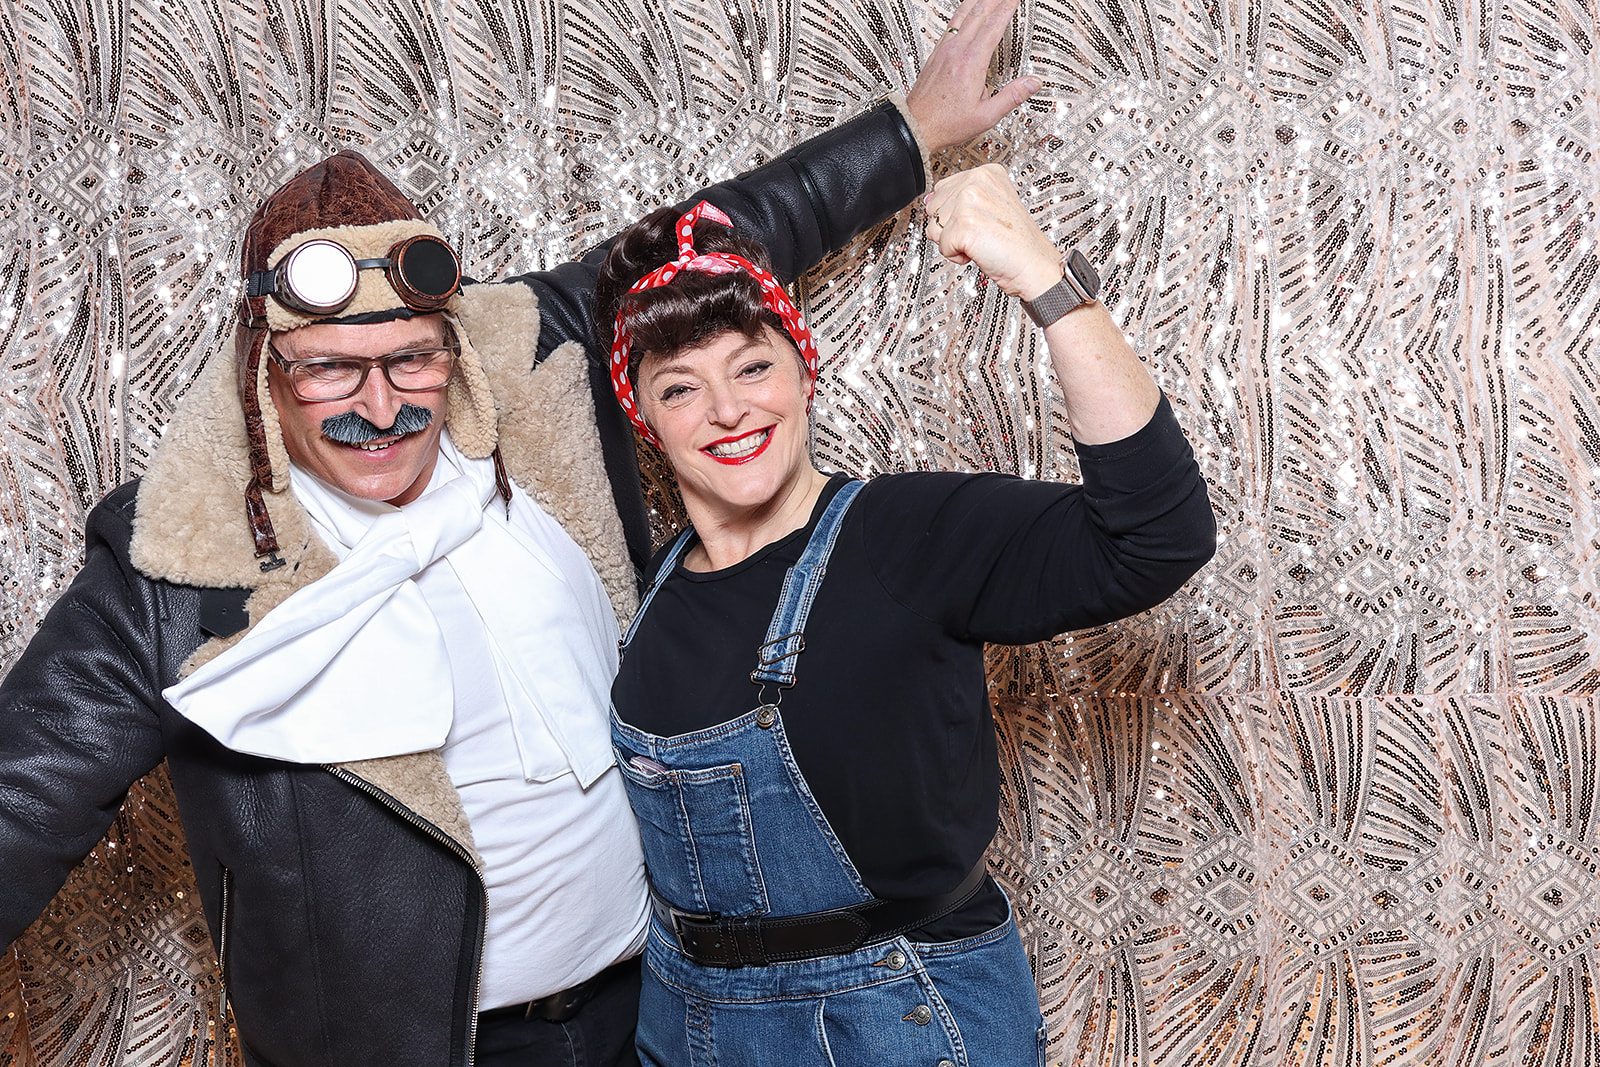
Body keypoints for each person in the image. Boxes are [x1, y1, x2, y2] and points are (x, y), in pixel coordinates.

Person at [0, 3, 1041, 1064]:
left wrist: (910, 132)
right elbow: (22, 797)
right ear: (264, 372)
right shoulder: (174, 561)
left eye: (411, 359)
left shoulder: (534, 380)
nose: (381, 406)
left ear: (453, 347)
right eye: (330, 370)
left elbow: (707, 242)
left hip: (662, 1011)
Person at [592, 163, 1216, 1065]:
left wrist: (1046, 281)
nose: (728, 409)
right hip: (688, 1022)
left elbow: (1157, 535)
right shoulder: (656, 587)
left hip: (892, 1020)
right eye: (680, 386)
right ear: (645, 416)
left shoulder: (904, 534)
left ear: (803, 369)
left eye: (753, 366)